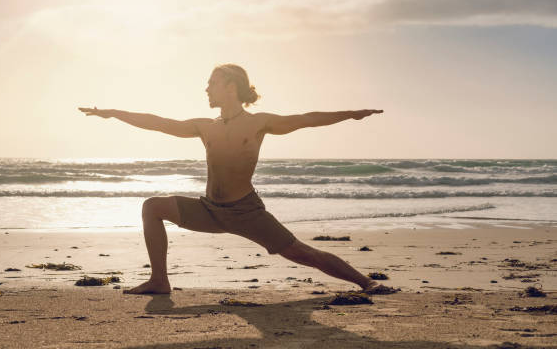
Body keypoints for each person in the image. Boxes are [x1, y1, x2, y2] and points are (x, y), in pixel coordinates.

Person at [79, 64, 389, 295]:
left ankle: (366, 282)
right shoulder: (205, 126)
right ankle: (160, 280)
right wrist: (113, 113)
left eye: (211, 83)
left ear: (230, 85)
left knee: (301, 253)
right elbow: (159, 123)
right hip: (209, 209)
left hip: (246, 212)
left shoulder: (258, 123)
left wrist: (350, 113)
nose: (206, 89)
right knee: (152, 207)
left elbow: (307, 119)